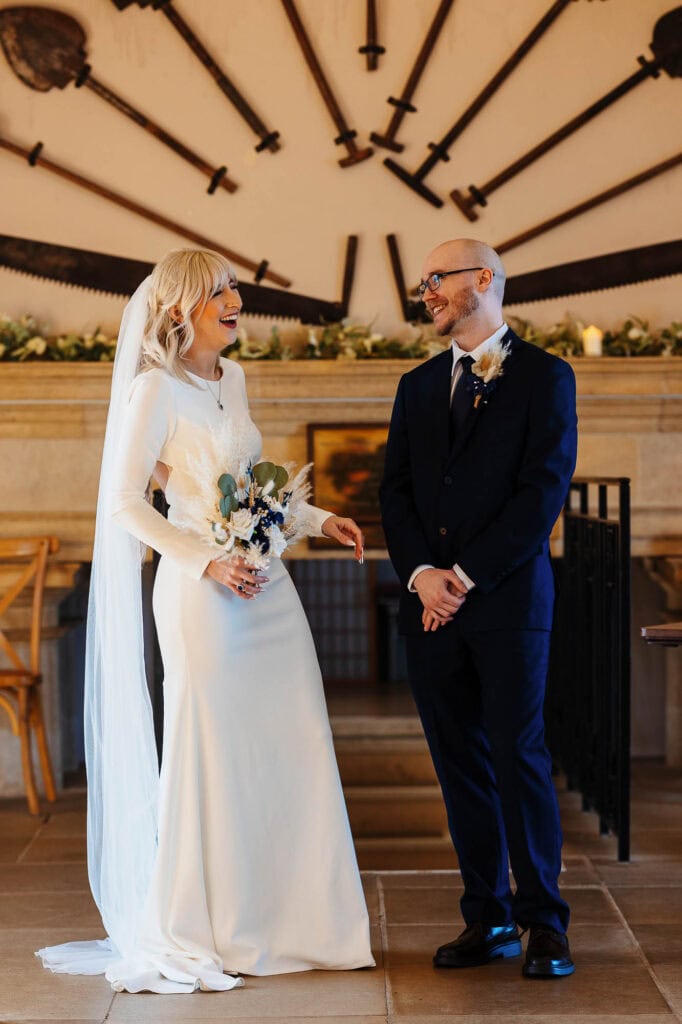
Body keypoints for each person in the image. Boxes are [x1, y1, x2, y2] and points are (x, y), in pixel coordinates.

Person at [37, 248, 374, 993]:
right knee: (215, 752)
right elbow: (124, 502)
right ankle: (214, 927)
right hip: (200, 594)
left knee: (296, 741)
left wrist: (318, 519)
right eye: (218, 291)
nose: (235, 301)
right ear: (179, 308)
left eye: (234, 289)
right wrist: (206, 561)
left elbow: (248, 486)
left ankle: (302, 926)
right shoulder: (153, 389)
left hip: (268, 589)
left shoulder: (234, 378)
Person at [379, 238, 577, 979]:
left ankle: (545, 924)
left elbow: (542, 492)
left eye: (438, 278)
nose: (427, 291)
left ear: (483, 280)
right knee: (459, 762)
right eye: (424, 283)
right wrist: (422, 576)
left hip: (507, 602)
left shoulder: (547, 376)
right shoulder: (418, 385)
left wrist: (461, 577)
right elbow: (395, 491)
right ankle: (487, 917)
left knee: (518, 756)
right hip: (430, 606)